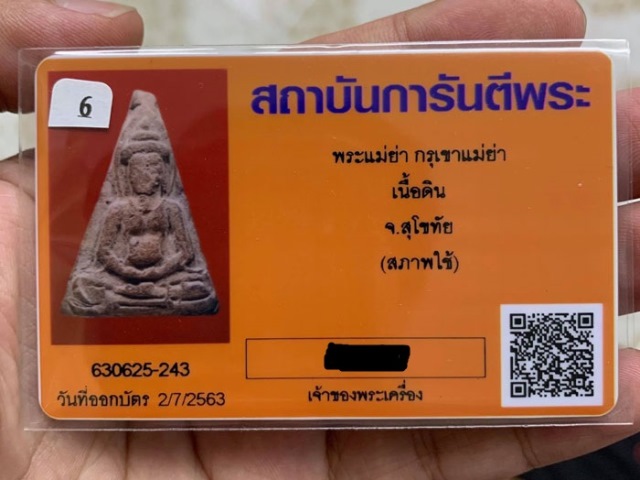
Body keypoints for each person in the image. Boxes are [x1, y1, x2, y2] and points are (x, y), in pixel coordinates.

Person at [0, 0, 638, 478]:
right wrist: (134, 277)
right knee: (95, 291)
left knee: (190, 290)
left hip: (176, 300)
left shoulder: (170, 207)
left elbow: (187, 258)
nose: (145, 177)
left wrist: (161, 277)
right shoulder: (115, 210)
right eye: (136, 169)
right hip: (124, 313)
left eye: (152, 168)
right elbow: (103, 259)